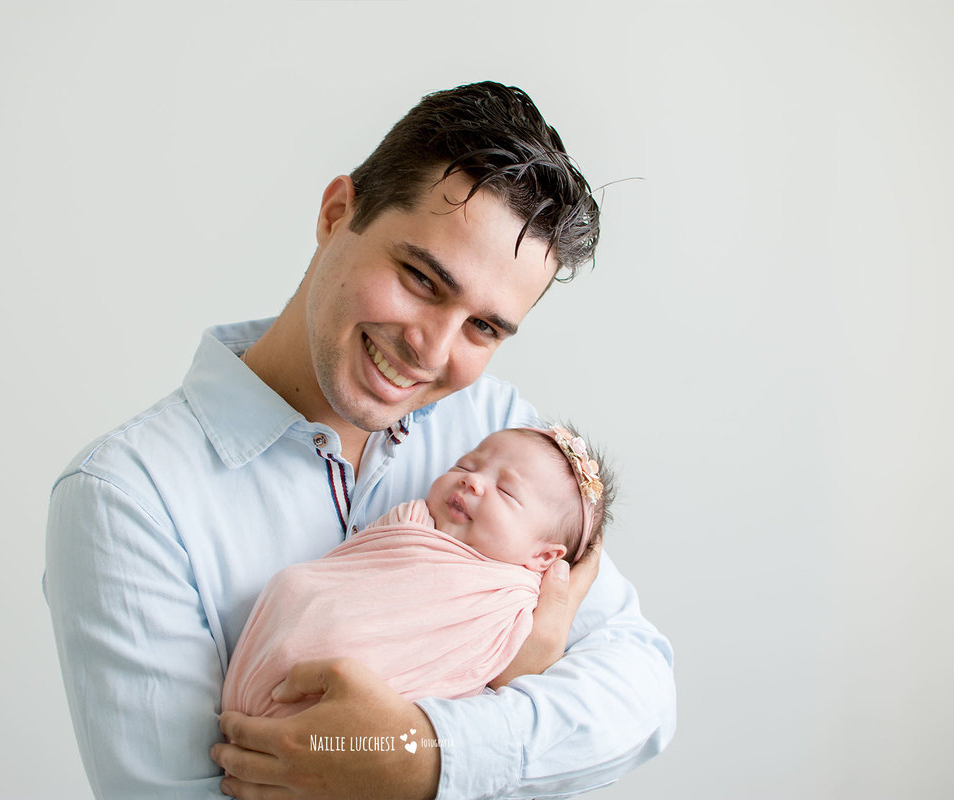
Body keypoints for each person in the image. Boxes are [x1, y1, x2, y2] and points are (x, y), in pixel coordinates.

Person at [44, 81, 676, 800]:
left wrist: (426, 755)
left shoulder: (501, 438)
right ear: (336, 213)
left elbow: (642, 688)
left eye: (484, 328)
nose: (433, 352)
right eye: (421, 279)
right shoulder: (128, 499)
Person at [222, 425, 614, 720]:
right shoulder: (411, 520)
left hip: (367, 721)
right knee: (293, 586)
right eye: (466, 464)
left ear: (544, 557)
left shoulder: (520, 599)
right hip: (299, 640)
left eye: (507, 492)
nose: (472, 481)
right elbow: (348, 574)